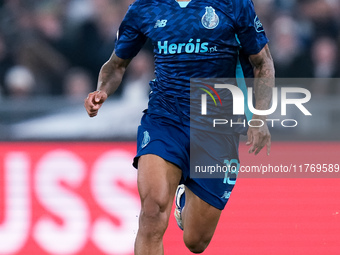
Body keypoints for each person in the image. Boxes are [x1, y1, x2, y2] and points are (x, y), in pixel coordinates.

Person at [84, 0, 274, 254]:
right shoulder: (146, 7)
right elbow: (117, 64)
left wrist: (259, 118)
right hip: (165, 120)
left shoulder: (233, 4)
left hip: (216, 126)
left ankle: (185, 197)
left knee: (196, 241)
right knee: (151, 213)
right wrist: (102, 91)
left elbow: (262, 63)